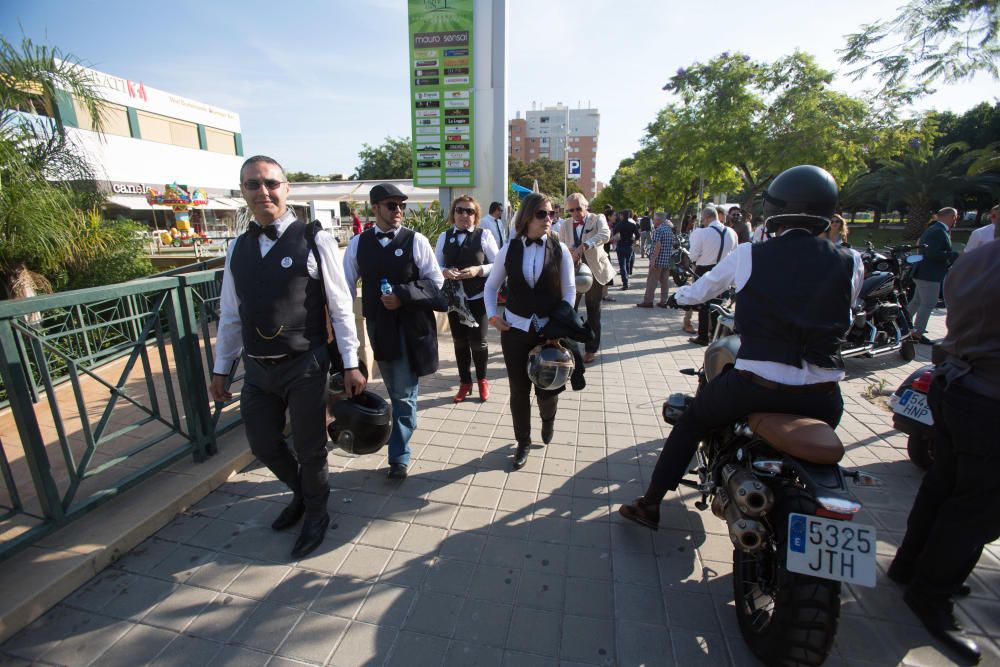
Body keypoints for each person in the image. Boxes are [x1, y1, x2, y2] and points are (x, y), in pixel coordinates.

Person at [619, 165, 864, 531]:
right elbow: (845, 309)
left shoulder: (752, 255)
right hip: (823, 396)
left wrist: (678, 299)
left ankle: (651, 503)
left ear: (774, 211)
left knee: (691, 423)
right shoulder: (851, 260)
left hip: (758, 385)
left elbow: (704, 288)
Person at [209, 155, 365, 559]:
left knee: (310, 447)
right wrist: (221, 368)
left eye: (271, 183)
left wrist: (351, 362)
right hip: (258, 369)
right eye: (253, 185)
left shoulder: (315, 239)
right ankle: (303, 492)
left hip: (305, 364)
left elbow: (341, 305)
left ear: (286, 188)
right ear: (243, 192)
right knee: (263, 443)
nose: (263, 191)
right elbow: (230, 313)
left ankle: (315, 512)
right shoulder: (237, 248)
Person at [887, 241, 1000, 665]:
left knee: (942, 484)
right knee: (978, 507)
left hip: (956, 383)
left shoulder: (977, 258)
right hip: (988, 398)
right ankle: (931, 593)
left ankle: (910, 564)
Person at [344, 183, 445, 480]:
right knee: (395, 389)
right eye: (391, 205)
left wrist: (402, 293)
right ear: (374, 209)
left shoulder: (417, 241)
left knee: (403, 393)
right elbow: (344, 288)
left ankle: (398, 454)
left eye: (401, 205)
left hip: (411, 328)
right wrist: (336, 325)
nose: (398, 210)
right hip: (379, 327)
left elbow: (436, 282)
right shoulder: (358, 244)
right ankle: (395, 430)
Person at [485, 193, 575, 469]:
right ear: (527, 217)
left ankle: (548, 420)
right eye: (542, 214)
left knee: (548, 389)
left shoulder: (560, 249)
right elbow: (491, 286)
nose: (548, 219)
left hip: (549, 331)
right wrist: (492, 317)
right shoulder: (509, 249)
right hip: (514, 330)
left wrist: (559, 326)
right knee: (518, 390)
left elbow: (570, 290)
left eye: (551, 213)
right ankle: (522, 441)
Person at [435, 195, 499, 402]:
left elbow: (498, 265)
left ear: (476, 215)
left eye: (469, 211)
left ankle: (482, 380)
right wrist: (444, 272)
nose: (464, 215)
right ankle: (465, 382)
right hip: (454, 300)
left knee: (478, 343)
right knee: (459, 342)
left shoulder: (484, 235)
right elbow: (434, 266)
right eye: (460, 210)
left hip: (477, 297)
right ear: (453, 214)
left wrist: (478, 270)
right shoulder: (444, 237)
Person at [559, 192, 615, 363]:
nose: (575, 213)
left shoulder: (597, 219)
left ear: (586, 206)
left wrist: (585, 245)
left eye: (578, 208)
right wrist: (569, 251)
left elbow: (605, 235)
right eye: (571, 210)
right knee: (569, 311)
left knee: (593, 312)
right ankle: (567, 347)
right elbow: (561, 244)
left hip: (595, 272)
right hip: (573, 273)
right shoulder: (565, 225)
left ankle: (591, 349)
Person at [687, 206, 738, 345]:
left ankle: (703, 336)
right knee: (718, 304)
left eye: (702, 219)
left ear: (708, 217)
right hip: (724, 270)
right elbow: (734, 254)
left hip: (704, 269)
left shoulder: (701, 233)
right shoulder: (732, 233)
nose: (702, 222)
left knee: (703, 305)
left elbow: (693, 256)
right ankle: (715, 336)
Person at [910, 207, 959, 345]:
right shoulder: (938, 231)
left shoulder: (935, 229)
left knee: (917, 302)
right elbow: (932, 253)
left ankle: (904, 327)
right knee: (928, 303)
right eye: (955, 217)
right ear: (950, 217)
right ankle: (917, 333)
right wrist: (955, 255)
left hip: (924, 272)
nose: (956, 220)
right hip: (929, 274)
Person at [637, 212, 676, 308]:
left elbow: (657, 246)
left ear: (658, 220)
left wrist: (653, 259)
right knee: (665, 282)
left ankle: (648, 301)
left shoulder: (658, 230)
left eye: (654, 219)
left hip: (658, 260)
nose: (653, 221)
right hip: (667, 260)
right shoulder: (669, 230)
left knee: (651, 281)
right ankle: (664, 301)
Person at [613, 211, 639, 290]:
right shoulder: (632, 225)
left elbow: (615, 233)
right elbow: (638, 235)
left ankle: (625, 282)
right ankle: (626, 279)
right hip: (629, 245)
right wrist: (634, 240)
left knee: (622, 264)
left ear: (622, 216)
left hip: (621, 245)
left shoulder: (619, 224)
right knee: (627, 262)